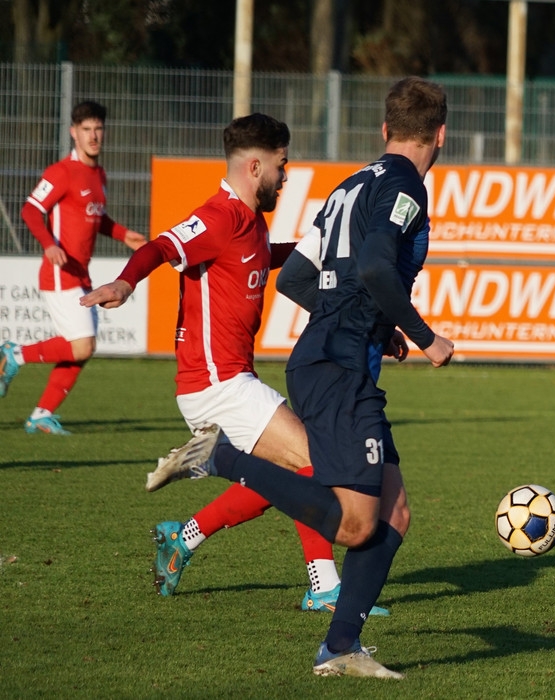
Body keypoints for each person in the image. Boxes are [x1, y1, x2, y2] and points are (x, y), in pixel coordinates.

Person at [140, 76, 454, 680]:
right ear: (440, 135)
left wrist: (369, 325)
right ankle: (220, 457)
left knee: (393, 512)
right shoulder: (405, 186)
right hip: (339, 368)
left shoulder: (350, 185)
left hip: (328, 356)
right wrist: (422, 335)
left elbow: (295, 279)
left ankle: (340, 647)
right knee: (356, 522)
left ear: (385, 129)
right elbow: (376, 267)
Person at [79, 113, 381, 616]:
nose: (285, 177)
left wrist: (322, 252)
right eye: (282, 166)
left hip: (230, 381)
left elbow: (265, 255)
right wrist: (126, 282)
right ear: (256, 167)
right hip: (216, 384)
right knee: (316, 462)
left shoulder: (250, 222)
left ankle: (183, 539)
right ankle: (323, 585)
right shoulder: (219, 216)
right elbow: (162, 246)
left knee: (277, 479)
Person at [0, 101, 146, 435]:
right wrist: (48, 244)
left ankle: (41, 415)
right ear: (73, 133)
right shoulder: (62, 172)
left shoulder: (98, 174)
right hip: (59, 272)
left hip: (81, 274)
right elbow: (30, 210)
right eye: (86, 129)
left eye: (98, 128)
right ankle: (15, 354)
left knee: (81, 350)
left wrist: (124, 235)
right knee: (82, 345)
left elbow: (95, 217)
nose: (93, 136)